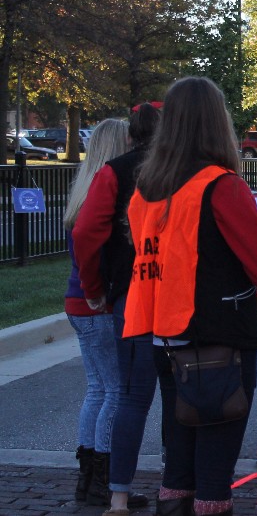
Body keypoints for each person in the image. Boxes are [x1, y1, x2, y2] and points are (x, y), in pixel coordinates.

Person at [122, 77, 257, 516]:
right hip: (217, 339)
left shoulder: (146, 190)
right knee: (214, 475)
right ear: (218, 124)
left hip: (162, 335)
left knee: (178, 464)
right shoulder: (222, 186)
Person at [74, 105, 161, 515]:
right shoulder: (126, 176)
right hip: (120, 298)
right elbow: (88, 235)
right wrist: (97, 291)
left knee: (106, 391)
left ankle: (98, 486)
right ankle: (112, 486)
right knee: (119, 393)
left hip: (100, 297)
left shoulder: (98, 179)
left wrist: (93, 289)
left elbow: (85, 233)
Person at [63, 119, 130, 506]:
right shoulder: (104, 193)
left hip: (78, 303)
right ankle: (106, 478)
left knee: (98, 388)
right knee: (116, 391)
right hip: (96, 303)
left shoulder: (82, 192)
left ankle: (88, 479)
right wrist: (97, 292)